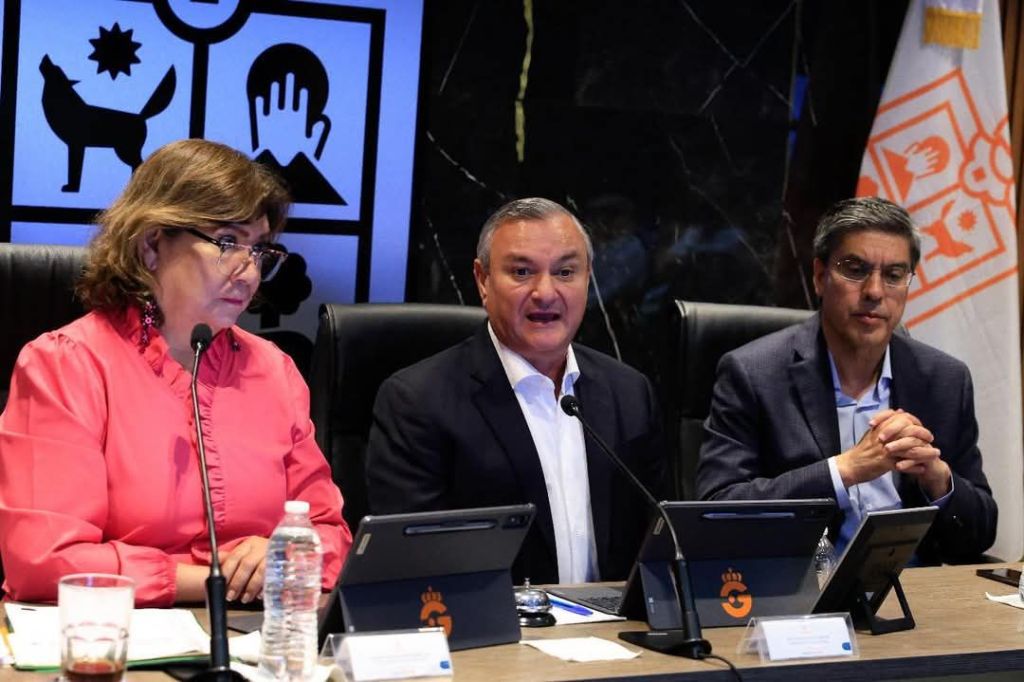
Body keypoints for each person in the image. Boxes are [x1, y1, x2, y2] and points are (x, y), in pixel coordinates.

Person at [0, 139, 352, 606]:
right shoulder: (65, 365)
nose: (249, 272)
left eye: (260, 250)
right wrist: (211, 580)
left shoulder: (274, 369)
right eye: (227, 242)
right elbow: (43, 560)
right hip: (111, 633)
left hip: (254, 632)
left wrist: (284, 554)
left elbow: (330, 533)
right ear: (151, 245)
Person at [366, 197, 665, 585]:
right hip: (492, 621)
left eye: (565, 272)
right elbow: (415, 562)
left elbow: (659, 545)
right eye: (522, 272)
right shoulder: (418, 401)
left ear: (588, 278)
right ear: (483, 280)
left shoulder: (630, 394)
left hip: (616, 621)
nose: (546, 292)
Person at [696, 197, 997, 563]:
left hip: (916, 588)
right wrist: (844, 471)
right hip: (802, 586)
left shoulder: (944, 380)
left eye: (894, 275)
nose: (874, 291)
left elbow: (981, 533)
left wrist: (938, 479)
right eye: (855, 270)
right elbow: (718, 511)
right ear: (819, 276)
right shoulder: (753, 374)